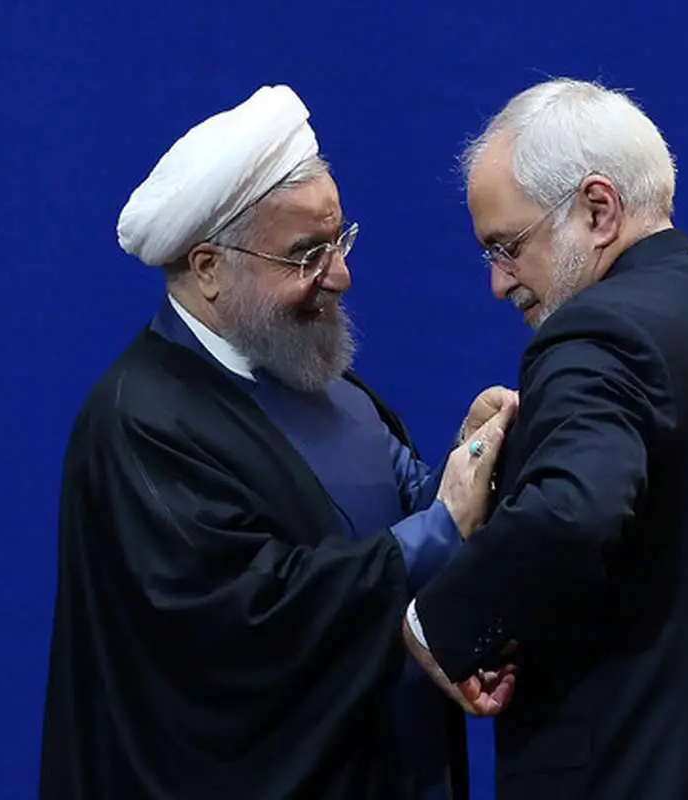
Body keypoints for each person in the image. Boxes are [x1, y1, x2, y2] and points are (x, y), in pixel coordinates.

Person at [39, 84, 515, 800]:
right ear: (208, 268)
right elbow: (247, 625)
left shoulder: (323, 383)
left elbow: (408, 503)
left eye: (339, 241)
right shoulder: (138, 424)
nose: (341, 276)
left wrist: (471, 462)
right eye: (306, 255)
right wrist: (441, 530)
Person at [403, 78, 688, 799]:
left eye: (507, 247)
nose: (498, 283)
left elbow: (569, 513)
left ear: (598, 209)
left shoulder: (598, 332)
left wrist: (438, 622)